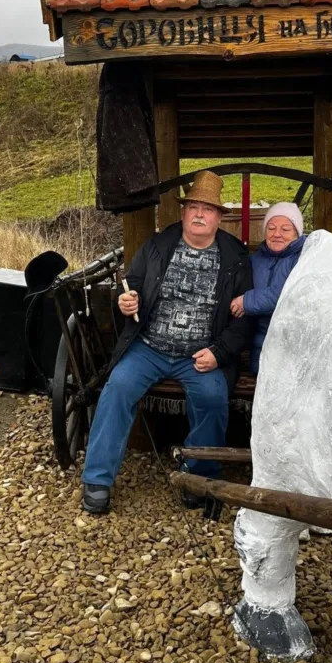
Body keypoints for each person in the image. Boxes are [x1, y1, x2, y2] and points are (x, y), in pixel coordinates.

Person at [81, 170, 252, 515]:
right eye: (193, 207)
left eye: (208, 208)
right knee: (118, 388)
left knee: (212, 398)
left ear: (219, 217)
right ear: (184, 212)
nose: (199, 214)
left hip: (201, 354)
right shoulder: (158, 246)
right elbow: (130, 285)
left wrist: (218, 353)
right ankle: (97, 478)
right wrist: (125, 301)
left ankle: (198, 477)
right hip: (149, 347)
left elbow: (244, 318)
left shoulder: (235, 258)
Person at [230, 202, 306, 374]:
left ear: (297, 233)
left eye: (285, 229)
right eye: (271, 228)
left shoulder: (305, 257)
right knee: (261, 372)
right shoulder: (255, 260)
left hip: (297, 341)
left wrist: (247, 301)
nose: (277, 234)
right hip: (261, 342)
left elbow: (291, 293)